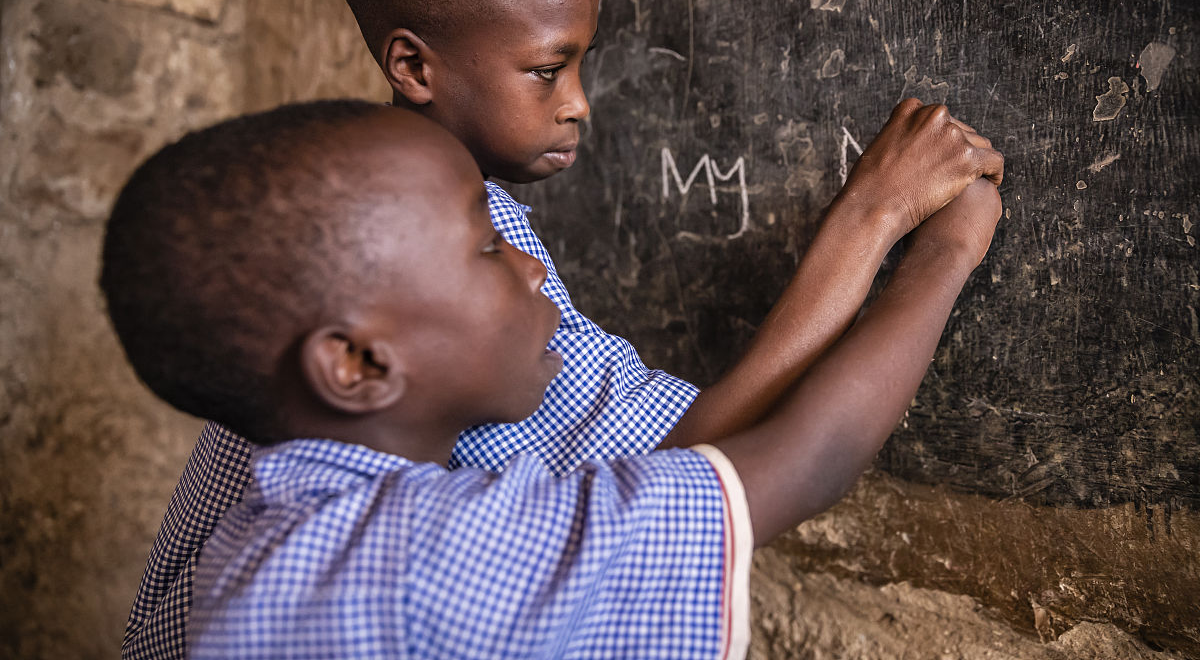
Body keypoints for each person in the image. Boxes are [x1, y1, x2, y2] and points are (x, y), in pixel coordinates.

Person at [119, 0, 1004, 657]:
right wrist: (887, 221)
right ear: (411, 66)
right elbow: (718, 455)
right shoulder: (425, 548)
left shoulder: (326, 264)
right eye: (547, 70)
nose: (580, 104)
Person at [101, 100, 1001, 659]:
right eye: (490, 246)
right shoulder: (422, 558)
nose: (535, 273)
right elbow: (805, 460)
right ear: (359, 363)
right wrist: (934, 247)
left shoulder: (254, 533)